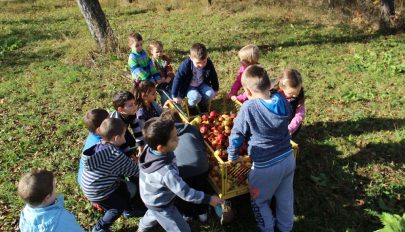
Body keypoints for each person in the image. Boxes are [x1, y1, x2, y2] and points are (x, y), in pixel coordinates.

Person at [227, 65, 295, 232]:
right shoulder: (281, 100)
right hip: (288, 158)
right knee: (285, 198)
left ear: (248, 93)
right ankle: (286, 228)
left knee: (260, 201)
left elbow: (237, 134)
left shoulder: (249, 108)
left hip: (265, 167)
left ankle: (268, 228)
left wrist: (232, 156)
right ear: (269, 85)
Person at [137, 118, 223, 232]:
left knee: (153, 213)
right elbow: (186, 193)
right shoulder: (167, 173)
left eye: (176, 135)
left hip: (149, 195)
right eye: (174, 139)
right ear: (160, 148)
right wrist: (208, 199)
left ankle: (142, 228)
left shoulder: (149, 148)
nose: (178, 139)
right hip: (162, 204)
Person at [80, 118, 145, 232]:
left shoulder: (100, 145)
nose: (124, 138)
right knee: (116, 209)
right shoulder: (114, 155)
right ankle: (100, 227)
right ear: (116, 138)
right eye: (124, 135)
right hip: (100, 191)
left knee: (125, 189)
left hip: (90, 185)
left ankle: (128, 208)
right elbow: (136, 171)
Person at [160, 109, 210, 222]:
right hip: (201, 167)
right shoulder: (191, 128)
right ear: (179, 119)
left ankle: (187, 214)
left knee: (182, 192)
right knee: (201, 187)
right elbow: (202, 145)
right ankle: (202, 212)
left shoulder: (165, 137)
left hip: (181, 171)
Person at [17, 170, 84, 232]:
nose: (56, 190)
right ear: (47, 197)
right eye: (54, 187)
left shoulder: (25, 215)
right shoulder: (62, 219)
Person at [171, 43, 219, 114]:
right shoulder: (185, 65)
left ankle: (202, 104)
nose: (201, 65)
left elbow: (213, 75)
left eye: (204, 61)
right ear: (191, 58)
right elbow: (178, 78)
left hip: (202, 84)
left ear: (207, 57)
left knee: (210, 93)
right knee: (196, 97)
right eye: (198, 63)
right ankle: (191, 106)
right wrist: (174, 95)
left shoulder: (208, 63)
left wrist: (215, 88)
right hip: (189, 86)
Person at [78, 109, 109, 187]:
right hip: (95, 185)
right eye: (108, 121)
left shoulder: (93, 135)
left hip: (83, 179)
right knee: (133, 188)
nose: (112, 121)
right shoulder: (102, 146)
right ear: (98, 130)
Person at [110, 90, 145, 156]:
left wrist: (141, 147)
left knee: (132, 142)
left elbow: (137, 131)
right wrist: (130, 155)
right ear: (121, 109)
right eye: (131, 105)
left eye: (135, 103)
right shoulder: (116, 122)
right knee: (123, 150)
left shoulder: (132, 113)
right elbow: (121, 141)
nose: (135, 107)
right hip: (114, 136)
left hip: (123, 130)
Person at [273, 69, 305, 139]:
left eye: (298, 92)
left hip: (290, 125)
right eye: (291, 94)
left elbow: (299, 115)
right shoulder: (273, 93)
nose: (295, 96)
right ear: (282, 87)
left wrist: (291, 128)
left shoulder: (299, 97)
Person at [149, 40, 174, 105]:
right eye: (157, 52)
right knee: (164, 96)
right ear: (152, 52)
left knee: (173, 94)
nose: (159, 54)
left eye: (161, 51)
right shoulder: (151, 62)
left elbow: (169, 68)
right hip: (159, 82)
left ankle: (176, 110)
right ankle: (165, 109)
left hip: (168, 81)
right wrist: (161, 78)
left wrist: (169, 77)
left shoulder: (165, 59)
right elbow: (156, 71)